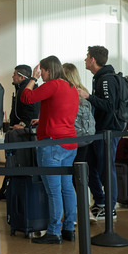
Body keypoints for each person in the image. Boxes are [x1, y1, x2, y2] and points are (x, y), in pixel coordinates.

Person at [20, 56, 79, 244]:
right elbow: (62, 111)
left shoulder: (52, 84)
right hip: (70, 142)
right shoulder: (71, 87)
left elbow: (26, 97)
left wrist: (33, 78)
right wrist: (44, 120)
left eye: (43, 71)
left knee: (53, 191)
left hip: (52, 143)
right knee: (67, 187)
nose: (42, 75)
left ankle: (54, 232)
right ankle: (69, 228)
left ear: (48, 70)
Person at [77, 45, 123, 221]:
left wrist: (88, 97)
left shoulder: (106, 80)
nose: (85, 60)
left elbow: (109, 106)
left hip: (108, 130)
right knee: (92, 165)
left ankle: (110, 208)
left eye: (87, 56)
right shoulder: (101, 78)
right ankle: (101, 202)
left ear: (93, 60)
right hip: (100, 131)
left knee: (106, 169)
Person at [62, 63, 96, 164]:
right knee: (80, 169)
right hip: (86, 138)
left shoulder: (65, 93)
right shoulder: (84, 92)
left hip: (71, 139)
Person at [9, 64, 40, 129]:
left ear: (22, 77)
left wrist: (23, 125)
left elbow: (30, 109)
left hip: (24, 131)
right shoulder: (22, 88)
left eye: (14, 74)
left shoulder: (25, 89)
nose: (12, 77)